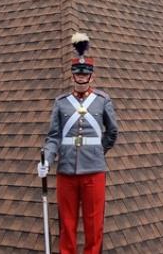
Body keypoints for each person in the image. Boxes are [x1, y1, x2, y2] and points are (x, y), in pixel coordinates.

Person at [37, 33, 118, 254]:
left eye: (85, 75)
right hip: (66, 171)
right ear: (73, 76)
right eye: (78, 75)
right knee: (67, 224)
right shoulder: (61, 103)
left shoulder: (102, 100)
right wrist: (48, 158)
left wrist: (99, 151)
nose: (81, 78)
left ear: (91, 77)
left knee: (94, 226)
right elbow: (53, 136)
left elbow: (112, 131)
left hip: (94, 170)